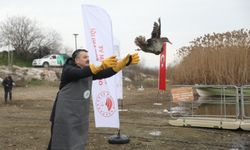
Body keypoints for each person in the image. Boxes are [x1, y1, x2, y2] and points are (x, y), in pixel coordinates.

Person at [47, 49, 139, 150]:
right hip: (63, 115)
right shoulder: (68, 69)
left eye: (88, 57)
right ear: (76, 60)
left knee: (75, 141)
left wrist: (122, 64)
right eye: (84, 57)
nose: (88, 59)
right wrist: (101, 66)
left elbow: (105, 73)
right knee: (59, 141)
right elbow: (78, 73)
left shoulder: (87, 71)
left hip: (78, 114)